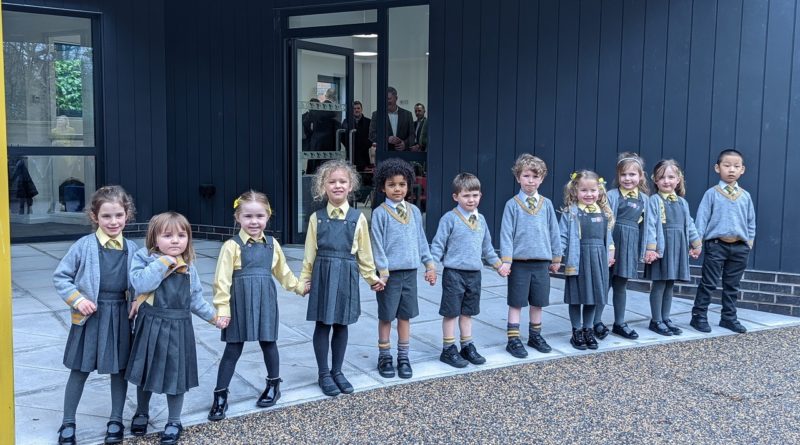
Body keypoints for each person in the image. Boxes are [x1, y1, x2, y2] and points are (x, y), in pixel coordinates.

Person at [208, 190, 307, 421]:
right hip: (239, 302)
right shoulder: (231, 246)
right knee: (233, 348)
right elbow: (221, 281)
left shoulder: (272, 245)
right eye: (248, 216)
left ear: (268, 216)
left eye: (259, 216)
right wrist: (222, 310)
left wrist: (299, 287)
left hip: (265, 300)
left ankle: (274, 385)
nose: (254, 222)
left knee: (268, 343)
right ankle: (220, 395)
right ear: (238, 218)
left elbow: (283, 272)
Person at [126, 212, 223, 445]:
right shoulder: (144, 258)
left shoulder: (189, 267)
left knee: (175, 375)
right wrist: (163, 262)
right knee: (145, 372)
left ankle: (174, 420)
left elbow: (195, 300)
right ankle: (141, 411)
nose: (175, 241)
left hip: (179, 328)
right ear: (154, 238)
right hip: (150, 324)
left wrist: (214, 318)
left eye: (181, 235)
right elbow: (140, 284)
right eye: (167, 236)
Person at [53, 186, 138, 445]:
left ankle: (116, 419)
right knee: (79, 370)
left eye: (118, 216)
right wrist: (78, 300)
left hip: (121, 316)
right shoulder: (84, 246)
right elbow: (61, 276)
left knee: (120, 371)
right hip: (91, 317)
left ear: (127, 215)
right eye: (106, 216)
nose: (113, 222)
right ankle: (68, 421)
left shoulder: (133, 249)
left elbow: (142, 281)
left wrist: (138, 301)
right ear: (94, 217)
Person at [300, 160, 384, 396]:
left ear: (350, 186)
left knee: (341, 323)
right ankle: (323, 373)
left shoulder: (358, 218)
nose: (337, 185)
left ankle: (337, 371)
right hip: (323, 274)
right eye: (332, 181)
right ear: (323, 187)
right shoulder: (316, 218)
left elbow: (365, 253)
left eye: (342, 181)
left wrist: (371, 277)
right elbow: (309, 253)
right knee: (322, 323)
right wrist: (305, 279)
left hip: (346, 273)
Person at [370, 158, 436, 379]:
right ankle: (385, 355)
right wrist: (383, 271)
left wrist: (429, 264)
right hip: (389, 277)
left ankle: (403, 356)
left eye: (401, 184)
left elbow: (421, 240)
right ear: (382, 187)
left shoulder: (415, 212)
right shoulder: (379, 214)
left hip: (410, 274)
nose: (397, 189)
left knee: (405, 317)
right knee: (387, 316)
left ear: (408, 185)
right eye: (391, 185)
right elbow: (377, 245)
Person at [431, 173, 504, 368]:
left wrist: (498, 265)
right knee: (451, 312)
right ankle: (448, 349)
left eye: (475, 195)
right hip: (454, 274)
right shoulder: (450, 219)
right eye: (466, 196)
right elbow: (438, 244)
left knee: (467, 312)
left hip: (474, 274)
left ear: (480, 195)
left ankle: (467, 345)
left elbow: (487, 247)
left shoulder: (481, 220)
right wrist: (431, 267)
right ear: (456, 197)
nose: (471, 200)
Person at [498, 154, 562, 358]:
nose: (531, 181)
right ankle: (513, 339)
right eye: (526, 176)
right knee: (516, 302)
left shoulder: (547, 204)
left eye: (535, 176)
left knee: (538, 301)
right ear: (518, 177)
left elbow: (554, 231)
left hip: (542, 263)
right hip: (519, 264)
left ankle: (535, 335)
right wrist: (506, 261)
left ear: (542, 179)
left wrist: (556, 257)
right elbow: (506, 235)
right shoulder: (512, 204)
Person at [690, 149, 756, 334]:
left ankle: (729, 318)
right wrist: (697, 243)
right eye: (727, 166)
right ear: (717, 168)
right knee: (709, 283)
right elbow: (701, 219)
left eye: (736, 166)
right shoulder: (712, 193)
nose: (731, 170)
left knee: (732, 285)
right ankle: (699, 316)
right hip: (716, 246)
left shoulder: (745, 196)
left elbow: (751, 222)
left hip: (739, 247)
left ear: (742, 170)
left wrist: (748, 243)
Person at [595, 153, 650, 340]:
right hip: (612, 244)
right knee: (604, 283)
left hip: (630, 245)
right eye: (623, 175)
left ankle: (619, 322)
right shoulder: (612, 196)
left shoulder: (645, 199)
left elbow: (647, 227)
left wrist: (644, 250)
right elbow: (606, 223)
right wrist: (608, 248)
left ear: (641, 176)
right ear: (618, 176)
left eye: (632, 174)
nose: (628, 178)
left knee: (621, 285)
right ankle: (596, 322)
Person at [643, 160, 702, 336]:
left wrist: (696, 243)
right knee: (659, 284)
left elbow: (689, 224)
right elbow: (651, 224)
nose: (666, 181)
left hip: (677, 247)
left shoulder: (682, 203)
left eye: (671, 177)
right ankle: (656, 320)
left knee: (670, 284)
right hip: (662, 248)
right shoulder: (655, 200)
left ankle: (665, 318)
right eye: (662, 177)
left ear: (678, 180)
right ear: (655, 180)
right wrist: (651, 248)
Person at [559, 170, 615, 350]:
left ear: (599, 191)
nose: (589, 194)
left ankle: (588, 329)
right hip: (579, 258)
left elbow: (609, 238)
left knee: (593, 297)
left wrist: (610, 253)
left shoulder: (604, 212)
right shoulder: (571, 213)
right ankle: (576, 331)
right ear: (575, 191)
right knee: (577, 297)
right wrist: (557, 255)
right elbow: (563, 237)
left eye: (593, 190)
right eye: (584, 190)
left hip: (598, 258)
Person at [369, 86, 414, 151]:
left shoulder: (407, 114)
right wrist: (387, 139)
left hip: (403, 155)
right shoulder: (376, 115)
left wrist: (405, 144)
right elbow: (372, 135)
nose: (386, 101)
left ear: (396, 98)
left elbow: (412, 135)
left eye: (389, 98)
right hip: (383, 154)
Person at [345, 101, 373, 172]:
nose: (356, 110)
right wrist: (349, 145)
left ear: (361, 109)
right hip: (351, 154)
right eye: (354, 108)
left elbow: (372, 136)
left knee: (364, 177)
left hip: (364, 155)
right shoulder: (346, 121)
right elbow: (343, 137)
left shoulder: (368, 122)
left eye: (358, 108)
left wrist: (366, 145)